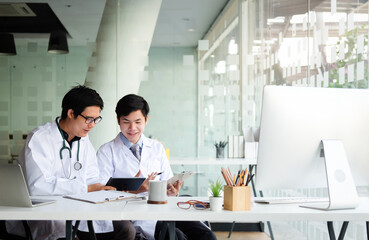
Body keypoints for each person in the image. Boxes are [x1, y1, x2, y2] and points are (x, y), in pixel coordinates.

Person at [6, 85, 135, 240]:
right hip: (47, 213)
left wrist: (108, 191)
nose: (92, 124)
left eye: (96, 120)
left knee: (126, 229)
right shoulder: (40, 138)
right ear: (71, 113)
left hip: (79, 209)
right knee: (64, 234)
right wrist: (85, 188)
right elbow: (38, 187)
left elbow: (93, 178)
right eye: (89, 119)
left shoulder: (84, 140)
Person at [97, 94, 217, 240]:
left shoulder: (156, 148)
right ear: (118, 120)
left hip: (165, 209)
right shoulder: (106, 151)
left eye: (138, 122)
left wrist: (172, 191)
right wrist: (136, 191)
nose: (132, 128)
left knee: (206, 234)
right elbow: (102, 194)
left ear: (146, 120)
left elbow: (167, 181)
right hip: (137, 217)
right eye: (126, 122)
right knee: (177, 237)